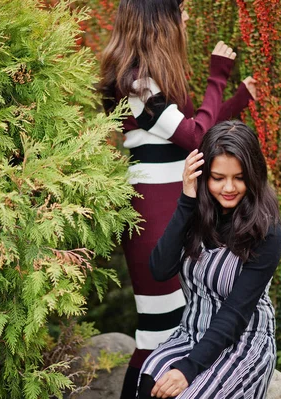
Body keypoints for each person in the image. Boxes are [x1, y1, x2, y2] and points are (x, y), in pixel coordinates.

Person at [99, 0, 258, 397]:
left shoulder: (154, 80)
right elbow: (194, 137)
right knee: (158, 331)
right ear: (157, 18)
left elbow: (196, 130)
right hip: (153, 216)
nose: (186, 17)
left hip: (179, 209)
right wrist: (217, 77)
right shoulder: (136, 83)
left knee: (179, 329)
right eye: (180, 9)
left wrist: (239, 99)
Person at [137, 120, 281, 399]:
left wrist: (188, 369)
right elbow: (160, 269)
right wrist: (186, 199)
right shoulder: (197, 213)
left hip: (244, 340)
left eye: (239, 177)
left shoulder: (267, 231)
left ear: (253, 175)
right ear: (203, 175)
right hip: (191, 333)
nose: (228, 187)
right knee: (149, 381)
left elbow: (236, 314)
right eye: (218, 178)